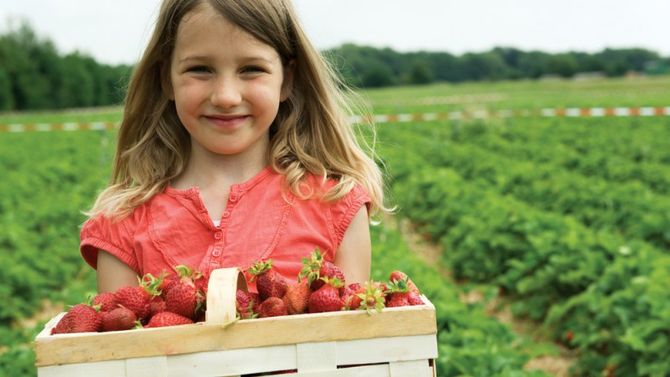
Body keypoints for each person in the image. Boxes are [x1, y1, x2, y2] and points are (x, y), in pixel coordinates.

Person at [80, 0, 389, 294]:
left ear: (287, 80)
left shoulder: (336, 205)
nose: (226, 96)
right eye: (200, 69)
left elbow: (348, 343)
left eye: (251, 69)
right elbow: (121, 346)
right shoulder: (122, 224)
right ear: (166, 79)